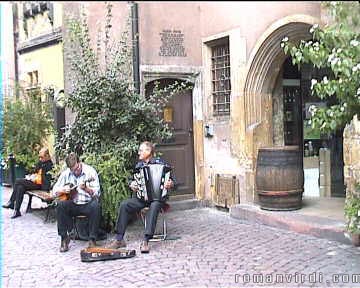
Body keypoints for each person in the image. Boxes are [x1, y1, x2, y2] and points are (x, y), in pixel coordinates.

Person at [107, 141, 176, 253]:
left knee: (154, 206)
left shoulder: (162, 164)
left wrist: (171, 183)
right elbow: (131, 180)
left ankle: (146, 241)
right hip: (142, 199)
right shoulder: (139, 166)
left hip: (158, 199)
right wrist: (132, 184)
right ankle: (119, 240)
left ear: (148, 151)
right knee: (125, 205)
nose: (139, 152)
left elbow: (173, 182)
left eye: (141, 150)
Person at [52, 152, 101, 252]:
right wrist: (62, 190)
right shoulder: (66, 173)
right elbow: (54, 191)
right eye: (73, 170)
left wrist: (86, 189)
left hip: (87, 203)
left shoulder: (90, 172)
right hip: (73, 203)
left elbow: (97, 193)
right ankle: (64, 238)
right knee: (61, 205)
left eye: (77, 168)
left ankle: (92, 239)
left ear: (80, 163)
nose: (76, 171)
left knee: (96, 206)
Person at [2, 147, 54, 219]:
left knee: (18, 181)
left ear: (47, 156)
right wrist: (32, 176)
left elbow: (46, 180)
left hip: (41, 185)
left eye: (41, 157)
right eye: (39, 157)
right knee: (20, 187)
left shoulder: (50, 165)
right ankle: (17, 211)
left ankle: (11, 202)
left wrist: (36, 177)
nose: (40, 159)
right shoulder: (41, 162)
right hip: (35, 182)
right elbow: (35, 171)